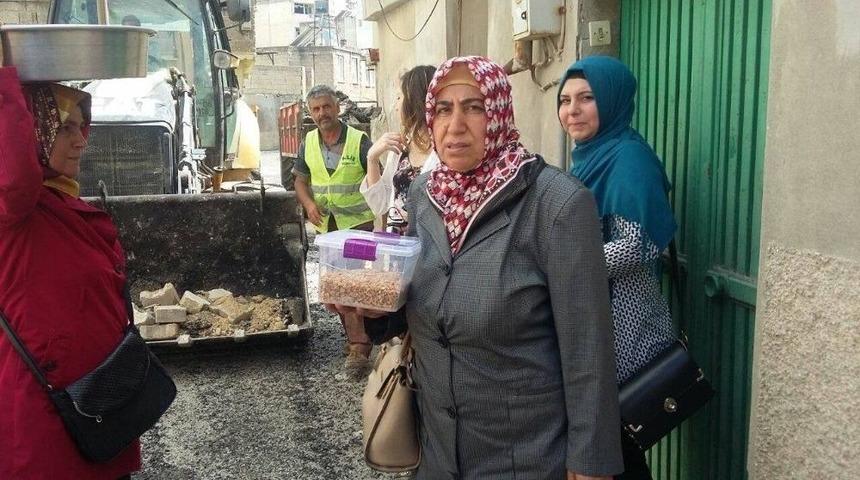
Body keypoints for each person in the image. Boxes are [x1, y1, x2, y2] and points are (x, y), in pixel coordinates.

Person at [333, 56, 623, 479]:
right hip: (436, 454)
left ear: (500, 113)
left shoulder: (556, 204)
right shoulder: (424, 194)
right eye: (443, 109)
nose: (455, 125)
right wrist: (377, 308)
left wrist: (591, 459)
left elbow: (588, 348)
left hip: (526, 457)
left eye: (474, 107)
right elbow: (422, 297)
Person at [0, 67, 140, 478]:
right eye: (65, 129)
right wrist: (4, 80)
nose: (81, 141)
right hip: (51, 419)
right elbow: (12, 176)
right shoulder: (15, 210)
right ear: (33, 134)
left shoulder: (60, 202)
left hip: (98, 406)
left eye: (82, 127)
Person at [557, 56, 678, 480]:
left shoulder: (628, 158)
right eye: (566, 99)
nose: (572, 110)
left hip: (624, 327)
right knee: (612, 444)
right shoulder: (589, 157)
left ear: (612, 100)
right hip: (597, 318)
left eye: (587, 98)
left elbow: (637, 245)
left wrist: (566, 266)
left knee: (617, 444)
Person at [292, 84, 376, 375]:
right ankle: (354, 339)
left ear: (337, 108)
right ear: (310, 113)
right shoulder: (308, 143)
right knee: (336, 286)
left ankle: (360, 346)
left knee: (354, 284)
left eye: (326, 107)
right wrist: (308, 204)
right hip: (328, 228)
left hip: (359, 227)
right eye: (315, 109)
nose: (322, 113)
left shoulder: (359, 141)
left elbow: (377, 179)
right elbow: (300, 181)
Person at [360, 65, 439, 234]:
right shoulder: (400, 150)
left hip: (428, 251)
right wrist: (372, 158)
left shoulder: (444, 153)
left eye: (398, 97)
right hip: (399, 252)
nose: (396, 106)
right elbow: (380, 204)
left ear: (414, 100)